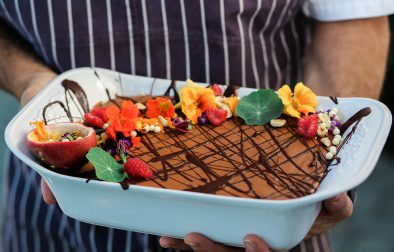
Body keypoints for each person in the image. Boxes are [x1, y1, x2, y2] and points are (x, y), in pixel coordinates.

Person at [0, 1, 392, 251]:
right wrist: (33, 83)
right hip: (55, 211)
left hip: (272, 220)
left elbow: (353, 18)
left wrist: (329, 169)